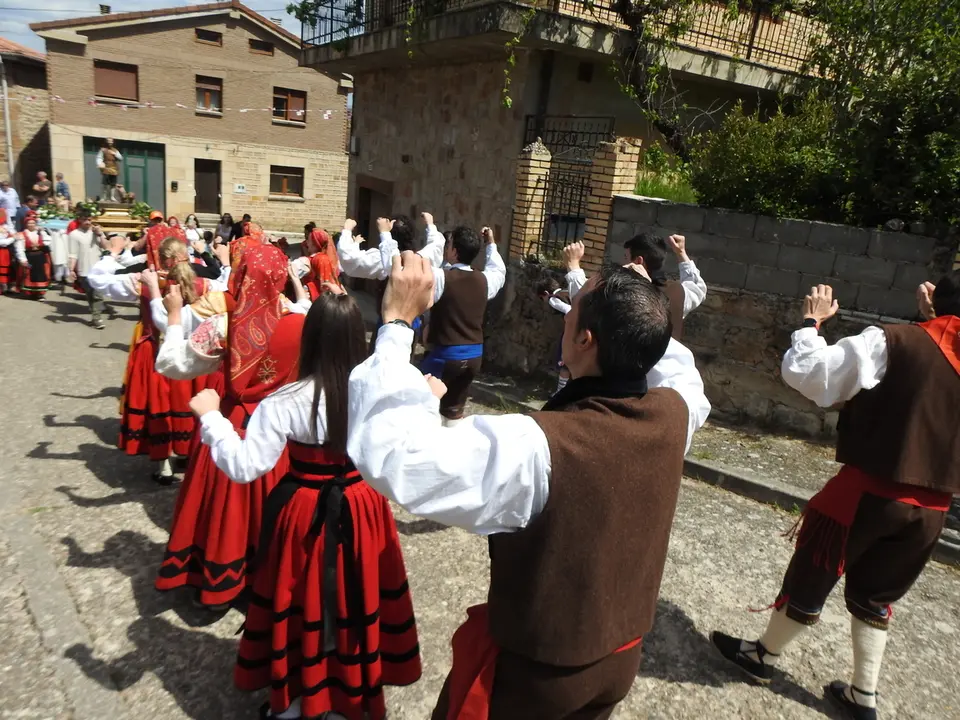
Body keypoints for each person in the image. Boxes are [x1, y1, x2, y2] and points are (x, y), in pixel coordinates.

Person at [347, 254, 710, 718]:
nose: (565, 315)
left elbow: (396, 456)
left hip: (540, 679)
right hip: (621, 659)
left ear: (584, 339)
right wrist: (643, 306)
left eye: (572, 309)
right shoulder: (676, 413)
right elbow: (681, 371)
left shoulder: (541, 446)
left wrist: (398, 323)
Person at [711, 278, 960, 720]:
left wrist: (811, 323)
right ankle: (863, 696)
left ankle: (762, 655)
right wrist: (935, 317)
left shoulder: (895, 341)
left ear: (937, 300)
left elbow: (812, 373)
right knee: (875, 596)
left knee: (811, 574)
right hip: (933, 512)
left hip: (868, 495)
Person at [184, 288, 421, 720]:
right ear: (359, 338)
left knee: (301, 600)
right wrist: (431, 400)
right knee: (354, 597)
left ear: (309, 339)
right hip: (362, 509)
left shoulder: (284, 401)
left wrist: (212, 417)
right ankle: (346, 700)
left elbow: (244, 466)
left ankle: (295, 702)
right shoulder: (377, 396)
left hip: (303, 513)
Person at [154, 244, 313, 609]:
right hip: (282, 429)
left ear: (240, 275)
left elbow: (172, 365)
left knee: (225, 506)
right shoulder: (302, 321)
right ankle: (267, 578)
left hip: (233, 420)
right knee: (273, 506)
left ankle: (219, 581)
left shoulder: (224, 324)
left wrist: (174, 315)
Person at [88, 237, 229, 483]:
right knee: (189, 403)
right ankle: (186, 455)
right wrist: (223, 262)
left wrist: (113, 253)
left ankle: (164, 464)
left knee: (160, 405)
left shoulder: (142, 281)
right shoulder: (208, 284)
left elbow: (97, 279)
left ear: (161, 258)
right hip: (193, 355)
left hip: (158, 352)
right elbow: (229, 283)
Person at [379, 222, 506, 426]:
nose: (446, 248)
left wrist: (386, 236)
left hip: (445, 356)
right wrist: (491, 244)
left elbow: (401, 272)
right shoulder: (485, 280)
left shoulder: (440, 277)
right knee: (453, 410)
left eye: (449, 244)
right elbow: (499, 270)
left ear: (454, 251)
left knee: (419, 404)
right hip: (474, 356)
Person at [565, 234, 706, 340]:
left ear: (638, 261)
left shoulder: (622, 293)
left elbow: (583, 302)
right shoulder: (676, 293)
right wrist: (681, 253)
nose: (623, 262)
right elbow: (698, 288)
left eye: (626, 257)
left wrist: (573, 265)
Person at [66, 217, 109, 327]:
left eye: (89, 220)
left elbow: (106, 247)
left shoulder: (96, 232)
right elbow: (73, 254)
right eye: (85, 220)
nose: (88, 222)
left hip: (98, 269)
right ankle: (95, 316)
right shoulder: (74, 235)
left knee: (97, 295)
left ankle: (97, 318)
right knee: (90, 295)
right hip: (83, 270)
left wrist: (100, 234)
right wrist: (71, 269)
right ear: (79, 220)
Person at [536, 276, 572, 392]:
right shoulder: (567, 292)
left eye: (542, 298)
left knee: (564, 363)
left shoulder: (553, 299)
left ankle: (560, 392)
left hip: (571, 333)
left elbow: (570, 311)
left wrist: (569, 325)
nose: (544, 302)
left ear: (546, 293)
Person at [15, 213, 52, 300]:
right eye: (29, 223)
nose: (31, 225)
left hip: (40, 257)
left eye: (33, 223)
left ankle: (40, 294)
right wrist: (22, 259)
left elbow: (48, 242)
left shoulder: (40, 233)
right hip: (29, 257)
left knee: (41, 275)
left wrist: (42, 232)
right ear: (26, 224)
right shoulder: (22, 234)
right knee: (29, 274)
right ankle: (31, 292)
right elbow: (19, 248)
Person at [0, 209, 15, 295]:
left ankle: (9, 286)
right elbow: (1, 242)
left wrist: (13, 234)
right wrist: (13, 238)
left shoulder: (6, 225)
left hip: (7, 251)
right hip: (2, 250)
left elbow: (11, 227)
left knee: (9, 268)